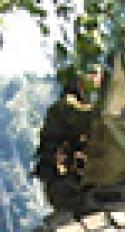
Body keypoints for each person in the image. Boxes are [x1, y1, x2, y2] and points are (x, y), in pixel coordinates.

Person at [34, 65, 103, 210]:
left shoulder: (80, 105)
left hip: (75, 183)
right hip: (64, 185)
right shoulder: (65, 107)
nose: (97, 79)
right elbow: (90, 120)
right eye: (92, 74)